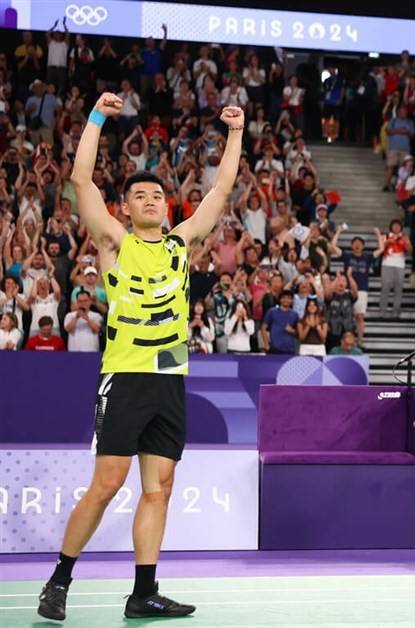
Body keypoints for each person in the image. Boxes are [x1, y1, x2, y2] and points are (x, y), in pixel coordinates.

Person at [37, 93, 243, 621]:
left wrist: (236, 133)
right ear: (125, 208)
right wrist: (98, 117)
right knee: (107, 483)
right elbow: (81, 181)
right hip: (125, 375)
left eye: (158, 194)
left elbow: (221, 188)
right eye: (141, 195)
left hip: (170, 378)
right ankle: (59, 579)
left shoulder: (181, 245)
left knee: (160, 488)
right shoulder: (114, 241)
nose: (151, 199)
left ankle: (143, 592)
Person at [260, 289, 298, 354]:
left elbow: (299, 334)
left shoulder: (295, 314)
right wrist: (266, 344)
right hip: (274, 348)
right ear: (280, 299)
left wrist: (292, 331)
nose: (286, 300)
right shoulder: (272, 312)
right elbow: (263, 328)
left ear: (292, 300)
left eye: (289, 298)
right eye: (284, 298)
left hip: (289, 349)